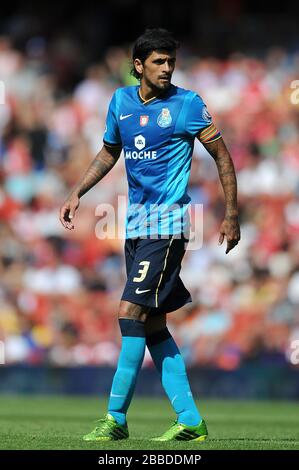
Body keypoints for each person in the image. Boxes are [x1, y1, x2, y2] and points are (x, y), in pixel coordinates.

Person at [59, 28, 240, 442]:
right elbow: (110, 151)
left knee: (128, 313)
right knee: (153, 327)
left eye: (170, 62)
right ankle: (191, 420)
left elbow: (223, 157)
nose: (167, 68)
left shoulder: (187, 104)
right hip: (134, 229)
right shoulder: (120, 102)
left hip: (170, 228)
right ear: (138, 66)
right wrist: (78, 191)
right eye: (158, 62)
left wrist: (232, 214)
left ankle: (115, 418)